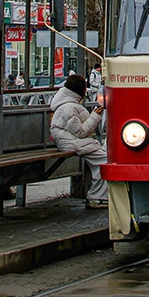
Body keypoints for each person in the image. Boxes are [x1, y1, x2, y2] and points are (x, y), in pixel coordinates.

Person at [49, 74, 108, 208]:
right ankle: (97, 196)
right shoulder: (69, 108)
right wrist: (95, 116)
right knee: (104, 160)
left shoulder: (67, 105)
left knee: (102, 155)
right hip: (71, 142)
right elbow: (81, 132)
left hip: (69, 141)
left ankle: (99, 195)